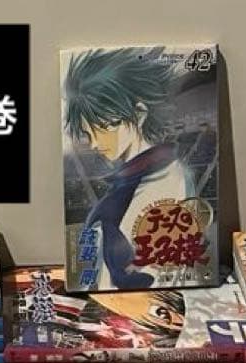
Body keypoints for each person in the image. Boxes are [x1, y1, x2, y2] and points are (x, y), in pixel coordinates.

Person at [64, 47, 212, 289]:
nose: (94, 142)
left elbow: (161, 275)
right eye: (88, 132)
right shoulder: (134, 177)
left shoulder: (163, 179)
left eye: (103, 127)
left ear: (140, 114)